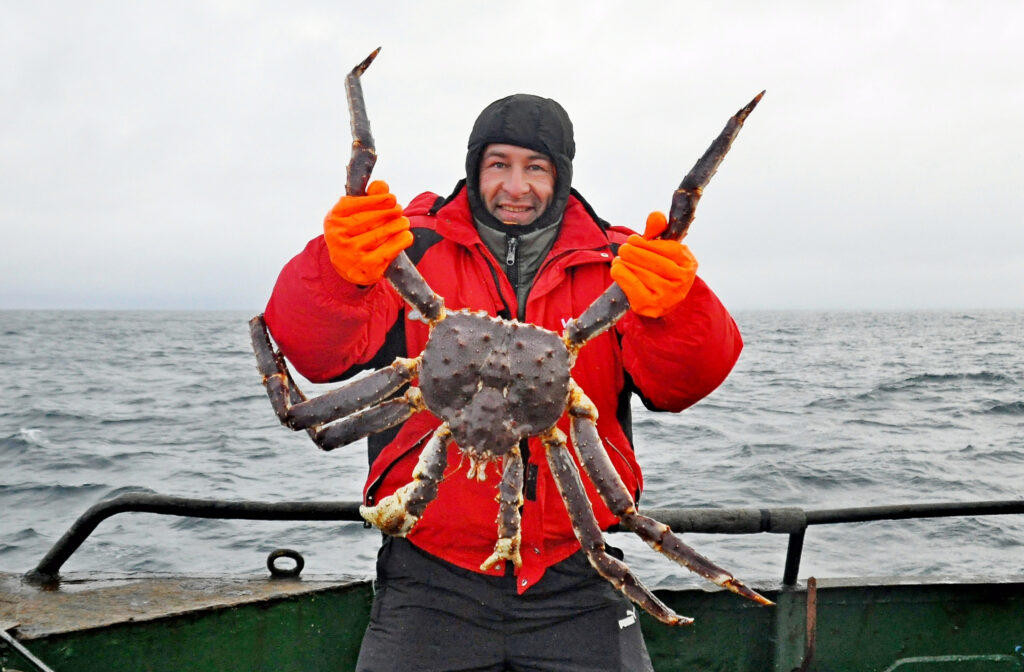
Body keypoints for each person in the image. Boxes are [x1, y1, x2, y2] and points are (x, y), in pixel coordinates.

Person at [263, 94, 743, 672]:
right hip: (426, 576)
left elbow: (683, 386)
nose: (516, 186)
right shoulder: (406, 248)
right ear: (475, 168)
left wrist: (676, 309)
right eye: (499, 164)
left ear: (560, 177)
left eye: (535, 168)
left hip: (578, 571)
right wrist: (338, 273)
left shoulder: (619, 265)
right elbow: (317, 355)